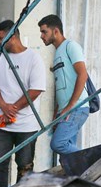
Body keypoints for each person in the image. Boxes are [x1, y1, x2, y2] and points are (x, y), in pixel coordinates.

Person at [0, 20, 46, 187]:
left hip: (26, 125)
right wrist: (4, 106)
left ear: (12, 36)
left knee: (25, 167)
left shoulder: (33, 58)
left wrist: (13, 108)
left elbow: (36, 89)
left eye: (0, 38)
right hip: (0, 124)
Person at [38, 14, 89, 158]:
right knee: (66, 157)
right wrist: (57, 113)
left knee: (58, 144)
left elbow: (83, 74)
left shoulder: (70, 46)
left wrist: (70, 106)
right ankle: (77, 177)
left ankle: (89, 158)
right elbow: (62, 87)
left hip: (77, 107)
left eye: (44, 32)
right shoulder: (57, 53)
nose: (42, 36)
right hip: (66, 110)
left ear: (56, 31)